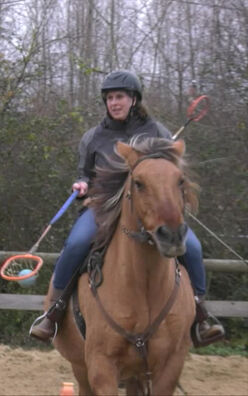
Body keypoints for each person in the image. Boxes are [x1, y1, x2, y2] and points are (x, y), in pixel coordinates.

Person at [28, 70, 225, 346]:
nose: (114, 102)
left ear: (133, 99)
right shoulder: (93, 137)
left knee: (192, 248)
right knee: (76, 244)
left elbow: (172, 173)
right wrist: (82, 183)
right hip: (102, 208)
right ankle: (54, 312)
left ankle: (201, 314)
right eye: (109, 98)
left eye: (119, 96)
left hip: (151, 209)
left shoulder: (158, 132)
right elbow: (84, 173)